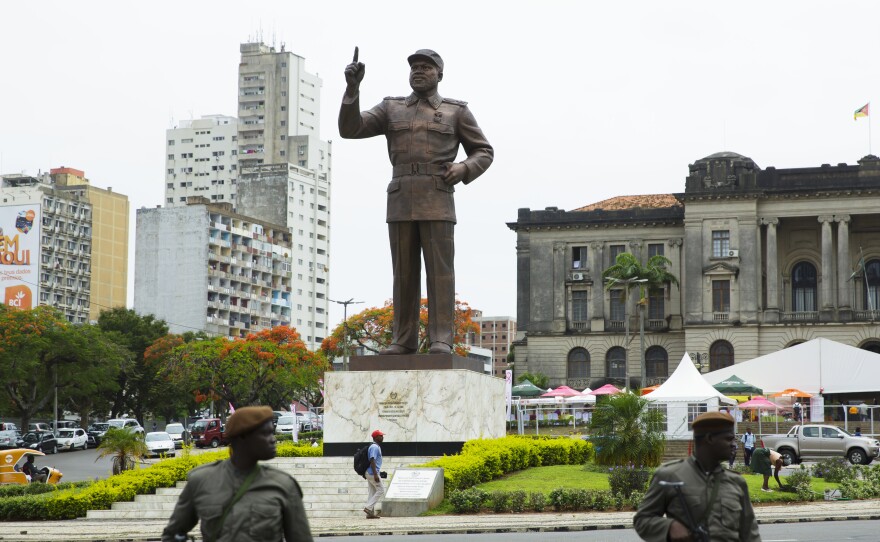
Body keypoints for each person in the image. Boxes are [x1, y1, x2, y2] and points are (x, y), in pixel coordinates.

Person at [339, 48, 494, 356]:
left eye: (426, 67)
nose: (419, 71)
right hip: (400, 198)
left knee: (440, 273)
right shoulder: (391, 108)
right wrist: (352, 89)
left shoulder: (456, 112)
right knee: (404, 274)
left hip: (437, 197)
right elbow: (350, 129)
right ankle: (404, 339)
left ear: (440, 74)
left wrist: (463, 168)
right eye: (414, 67)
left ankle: (441, 339)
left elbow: (484, 151)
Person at [161, 406, 313, 542]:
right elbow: (171, 535)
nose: (273, 440)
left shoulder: (284, 485)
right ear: (242, 437)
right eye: (265, 434)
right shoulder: (201, 481)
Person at [634, 411, 761, 541]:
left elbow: (750, 534)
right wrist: (670, 527)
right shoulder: (669, 475)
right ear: (710, 439)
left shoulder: (737, 482)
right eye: (729, 439)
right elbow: (643, 520)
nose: (734, 444)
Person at [363, 429, 385, 519]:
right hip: (372, 473)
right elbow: (372, 460)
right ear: (376, 437)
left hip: (371, 472)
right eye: (380, 436)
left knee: (372, 492)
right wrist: (376, 474)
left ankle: (370, 514)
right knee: (381, 490)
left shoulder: (375, 446)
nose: (382, 437)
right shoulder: (374, 447)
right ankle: (368, 508)